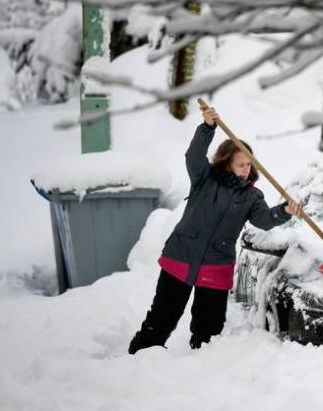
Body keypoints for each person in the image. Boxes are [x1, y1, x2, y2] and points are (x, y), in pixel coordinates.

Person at [128, 103, 300, 354]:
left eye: (249, 164)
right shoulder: (204, 178)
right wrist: (207, 127)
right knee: (162, 316)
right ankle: (139, 357)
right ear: (227, 163)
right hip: (181, 255)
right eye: (241, 164)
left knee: (208, 327)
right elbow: (193, 156)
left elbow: (264, 220)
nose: (246, 169)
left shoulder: (251, 196)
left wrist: (284, 211)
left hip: (216, 265)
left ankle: (202, 364)